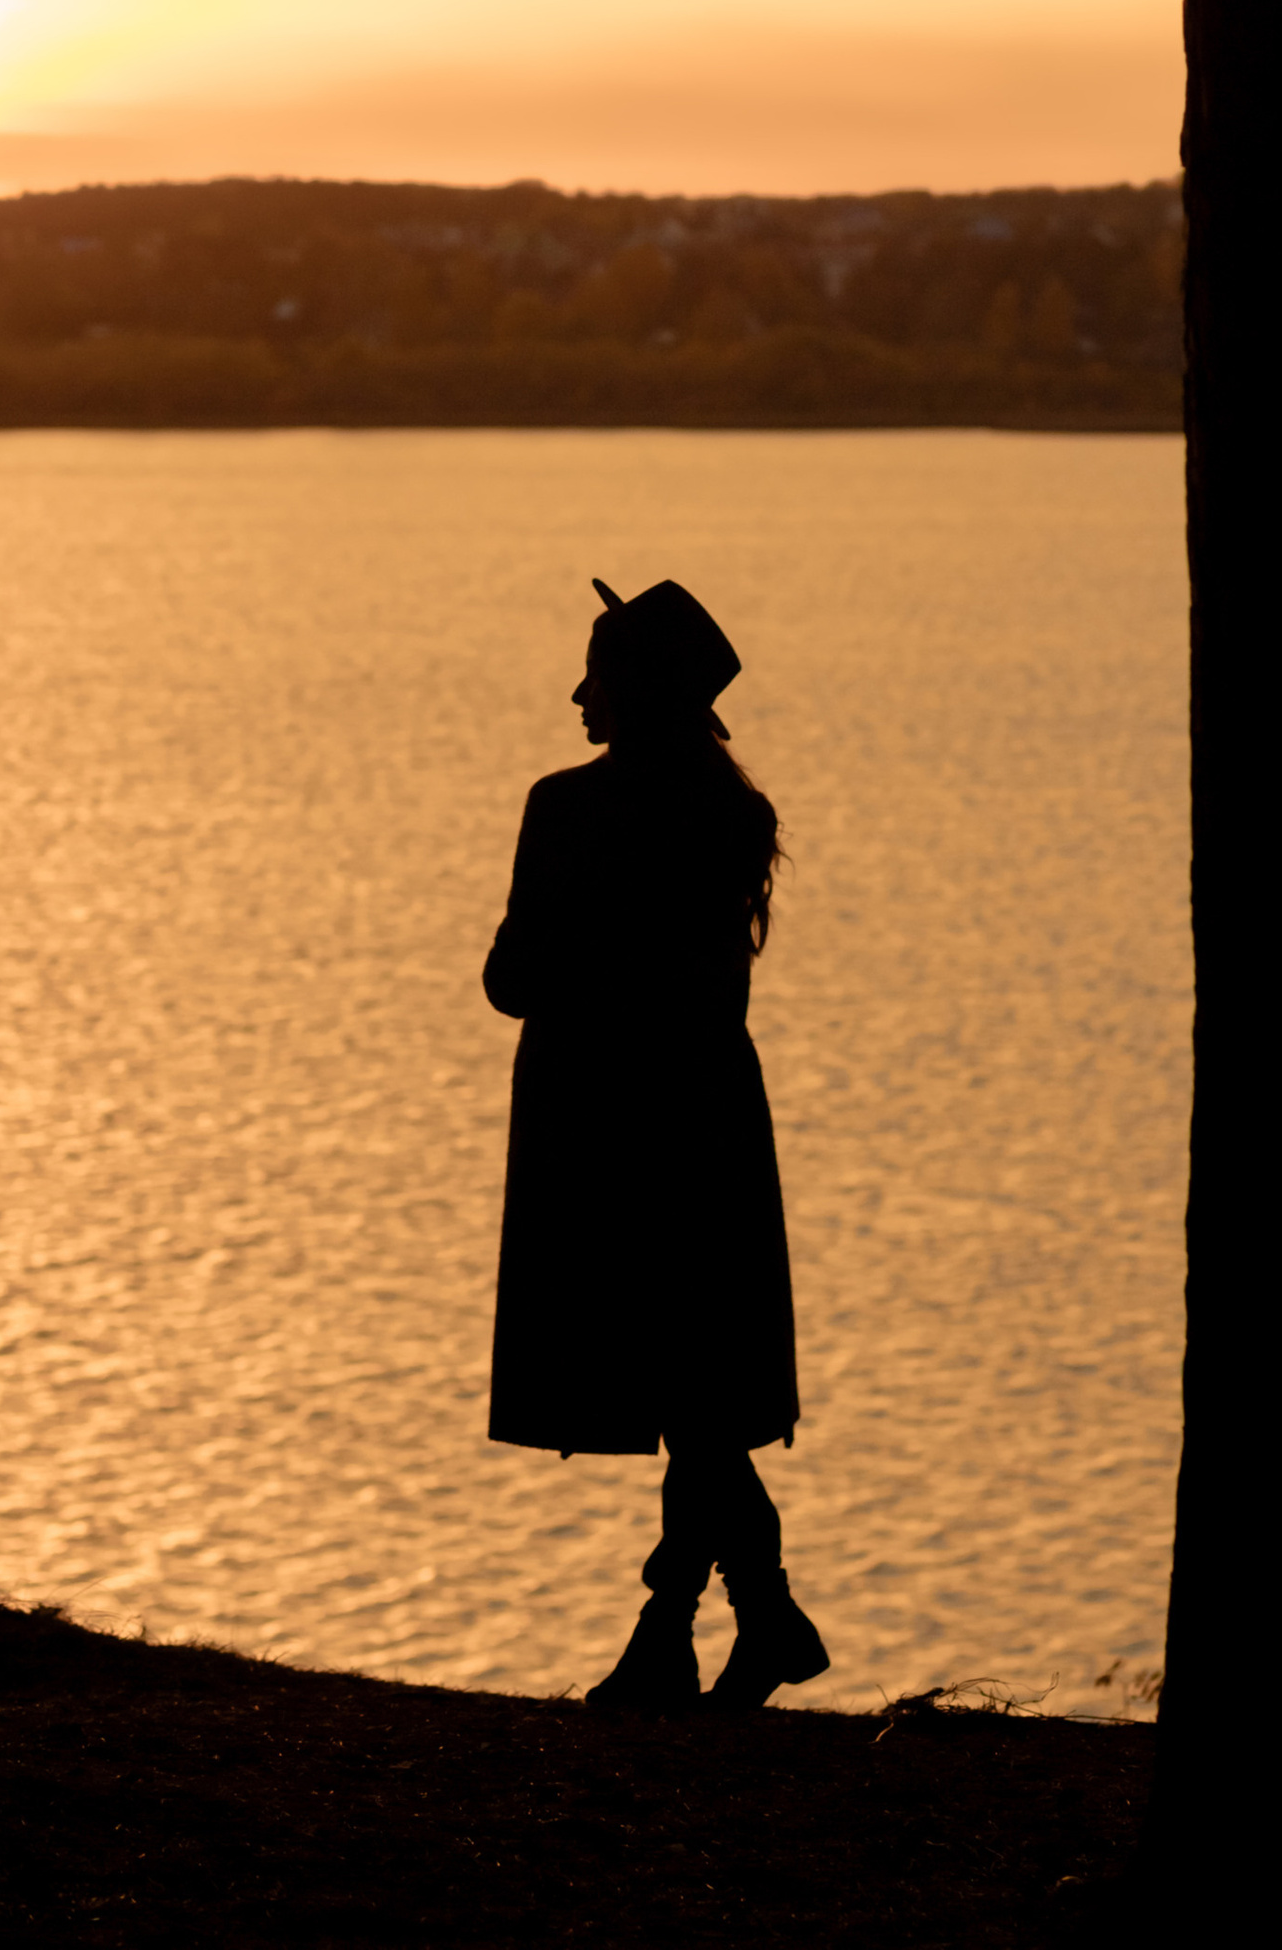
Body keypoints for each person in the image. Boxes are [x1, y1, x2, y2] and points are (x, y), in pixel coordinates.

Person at [483, 574, 830, 1713]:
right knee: (702, 1389)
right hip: (709, 1114)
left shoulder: (566, 808)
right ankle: (703, 1628)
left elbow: (512, 979)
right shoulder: (735, 817)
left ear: (634, 689)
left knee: (688, 1396)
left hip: (602, 1123)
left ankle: (716, 1625)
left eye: (595, 674)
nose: (576, 694)